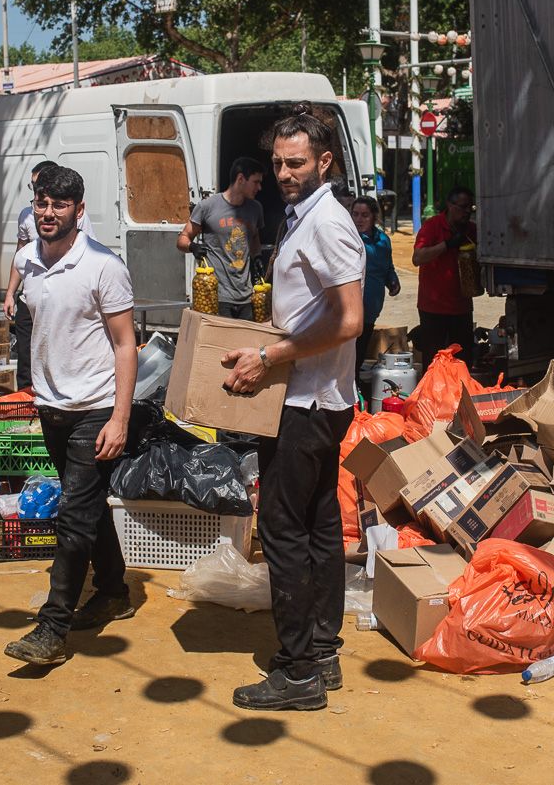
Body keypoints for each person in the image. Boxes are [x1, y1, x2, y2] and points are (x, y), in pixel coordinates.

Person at [222, 105, 364, 711]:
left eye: (296, 162)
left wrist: (272, 354)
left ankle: (300, 671)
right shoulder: (304, 215)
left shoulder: (326, 222)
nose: (282, 173)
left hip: (306, 399)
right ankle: (322, 652)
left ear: (324, 161)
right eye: (277, 163)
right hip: (313, 395)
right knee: (317, 524)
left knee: (283, 530)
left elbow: (349, 318)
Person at [3, 164, 140, 668]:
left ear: (79, 211)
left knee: (74, 516)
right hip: (51, 406)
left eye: (60, 205)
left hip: (96, 408)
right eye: (42, 203)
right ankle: (113, 590)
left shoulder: (104, 266)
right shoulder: (26, 262)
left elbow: (127, 346)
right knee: (88, 508)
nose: (49, 213)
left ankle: (52, 626)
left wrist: (119, 419)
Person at [5, 161, 97, 390]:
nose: (48, 213)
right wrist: (10, 293)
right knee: (28, 353)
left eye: (56, 204)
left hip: (64, 289)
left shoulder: (74, 217)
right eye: (37, 191)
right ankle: (28, 399)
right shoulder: (27, 216)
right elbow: (20, 255)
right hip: (32, 293)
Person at [177, 157, 264, 319]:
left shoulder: (255, 209)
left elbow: (254, 238)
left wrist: (257, 256)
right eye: (256, 182)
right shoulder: (208, 206)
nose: (259, 187)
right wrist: (193, 247)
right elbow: (182, 239)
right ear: (240, 179)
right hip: (217, 297)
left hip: (246, 295)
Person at [412, 185, 478, 371]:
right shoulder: (432, 226)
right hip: (433, 307)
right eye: (462, 207)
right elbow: (417, 258)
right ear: (450, 205)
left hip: (461, 307)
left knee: (462, 361)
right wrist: (447, 245)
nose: (466, 212)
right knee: (433, 362)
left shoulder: (471, 230)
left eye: (470, 208)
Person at [350, 196, 401, 383]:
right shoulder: (348, 239)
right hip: (350, 312)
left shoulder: (383, 241)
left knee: (360, 355)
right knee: (348, 361)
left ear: (374, 217)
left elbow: (388, 267)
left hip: (371, 312)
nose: (359, 219)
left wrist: (393, 281)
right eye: (355, 214)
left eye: (364, 215)